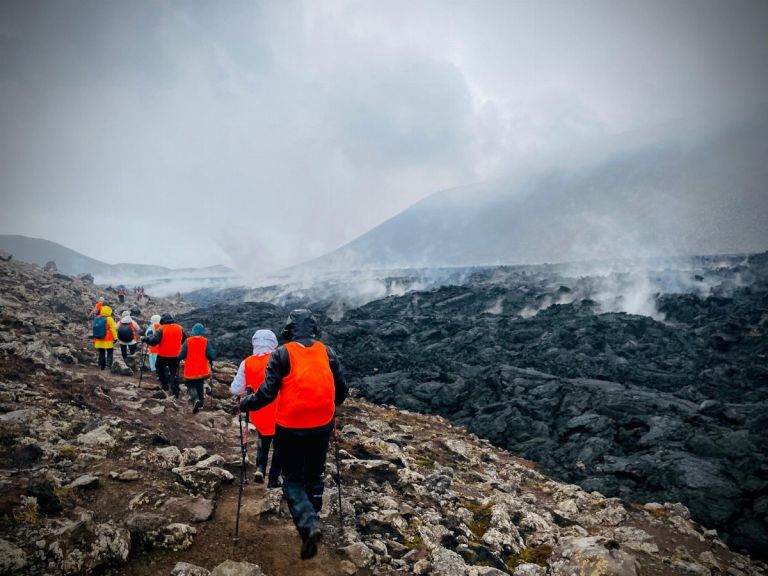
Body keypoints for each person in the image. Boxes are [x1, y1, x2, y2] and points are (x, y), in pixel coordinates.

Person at [240, 309, 348, 560]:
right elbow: (341, 390)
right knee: (315, 472)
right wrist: (330, 407)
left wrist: (246, 403)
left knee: (292, 479)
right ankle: (314, 516)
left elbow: (267, 394)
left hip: (290, 426)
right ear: (313, 329)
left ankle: (309, 524)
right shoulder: (328, 352)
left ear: (288, 331)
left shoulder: (281, 354)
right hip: (322, 424)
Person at [230, 329, 281, 488]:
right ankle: (274, 479)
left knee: (263, 439)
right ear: (273, 343)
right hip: (280, 409)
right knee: (279, 445)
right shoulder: (278, 359)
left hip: (258, 409)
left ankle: (260, 468)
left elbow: (235, 389)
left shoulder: (247, 362)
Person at [143, 313, 186, 399]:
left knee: (159, 368)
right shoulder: (180, 328)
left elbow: (154, 341)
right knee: (174, 373)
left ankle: (165, 385)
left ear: (162, 320)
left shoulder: (161, 329)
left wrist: (146, 338)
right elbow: (184, 340)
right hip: (176, 355)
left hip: (163, 355)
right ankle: (175, 393)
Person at [179, 323, 215, 413]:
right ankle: (201, 403)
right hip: (202, 368)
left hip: (190, 368)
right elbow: (211, 355)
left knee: (191, 384)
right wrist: (210, 360)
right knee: (200, 383)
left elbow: (181, 354)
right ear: (202, 332)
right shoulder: (205, 341)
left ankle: (195, 399)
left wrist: (179, 359)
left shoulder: (188, 341)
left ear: (193, 331)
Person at [93, 305, 118, 370]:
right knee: (110, 352)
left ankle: (101, 365)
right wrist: (115, 338)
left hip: (98, 339)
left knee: (101, 352)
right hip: (108, 340)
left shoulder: (97, 318)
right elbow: (113, 329)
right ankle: (109, 364)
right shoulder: (109, 319)